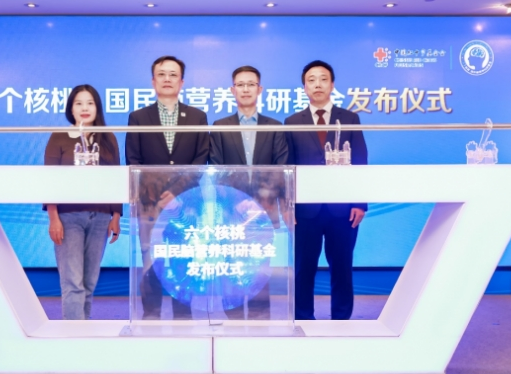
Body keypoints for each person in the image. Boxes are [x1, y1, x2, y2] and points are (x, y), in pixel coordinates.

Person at [125, 56, 209, 319]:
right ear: (153, 81)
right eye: (162, 74)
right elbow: (133, 160)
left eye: (173, 75)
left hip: (186, 204)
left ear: (181, 82)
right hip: (150, 206)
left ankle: (183, 317)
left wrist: (177, 193)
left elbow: (201, 159)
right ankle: (150, 317)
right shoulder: (139, 117)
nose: (167, 79)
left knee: (183, 261)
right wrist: (157, 194)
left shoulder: (197, 116)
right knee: (151, 262)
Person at [285, 60, 368, 321]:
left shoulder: (350, 118)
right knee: (303, 269)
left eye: (323, 79)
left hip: (342, 209)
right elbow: (288, 167)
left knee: (342, 267)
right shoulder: (292, 122)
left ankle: (341, 321)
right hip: (305, 211)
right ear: (304, 87)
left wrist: (360, 203)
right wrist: (288, 206)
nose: (317, 84)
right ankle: (303, 319)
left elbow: (360, 161)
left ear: (332, 85)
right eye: (311, 80)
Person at [209, 65, 288, 320]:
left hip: (263, 212)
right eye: (240, 84)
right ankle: (232, 325)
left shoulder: (274, 126)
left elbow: (280, 168)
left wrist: (259, 201)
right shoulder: (220, 126)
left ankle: (259, 325)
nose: (245, 89)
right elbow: (217, 168)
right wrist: (239, 200)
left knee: (259, 271)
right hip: (231, 212)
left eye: (251, 84)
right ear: (232, 90)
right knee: (231, 269)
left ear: (259, 89)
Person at [44, 84, 121, 320]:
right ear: (71, 109)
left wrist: (116, 215)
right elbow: (48, 180)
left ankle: (83, 331)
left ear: (97, 108)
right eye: (79, 103)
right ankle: (73, 336)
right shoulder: (59, 137)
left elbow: (116, 179)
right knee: (73, 282)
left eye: (90, 103)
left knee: (89, 282)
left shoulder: (108, 138)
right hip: (68, 217)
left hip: (100, 217)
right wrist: (53, 218)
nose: (84, 108)